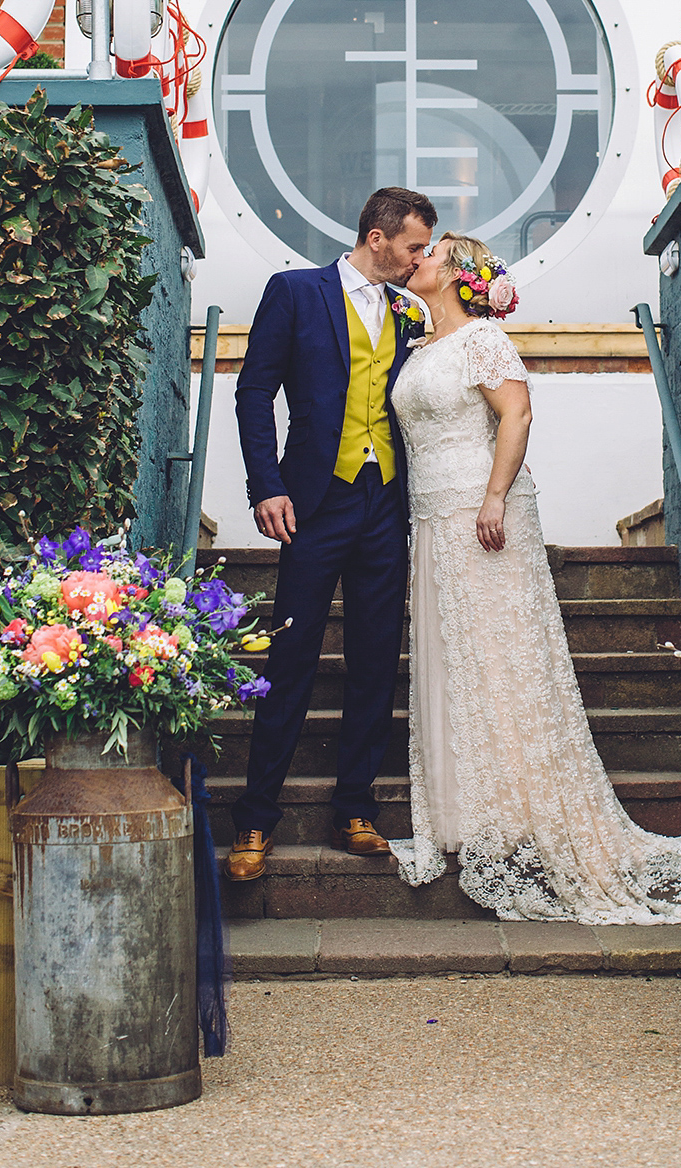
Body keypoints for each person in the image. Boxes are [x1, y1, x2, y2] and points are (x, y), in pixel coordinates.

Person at [387, 233, 681, 923]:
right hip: (430, 518)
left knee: (506, 661)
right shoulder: (420, 346)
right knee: (460, 663)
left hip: (484, 514)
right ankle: (469, 812)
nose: (415, 257)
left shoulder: (484, 340)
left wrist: (492, 497)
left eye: (430, 252)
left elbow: (516, 414)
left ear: (458, 275)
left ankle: (522, 812)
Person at [225, 186, 437, 882]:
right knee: (291, 662)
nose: (418, 259)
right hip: (313, 501)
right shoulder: (293, 292)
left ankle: (356, 808)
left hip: (386, 503)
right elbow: (254, 392)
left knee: (378, 660)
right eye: (412, 246)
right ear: (377, 237)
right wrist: (267, 486)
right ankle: (256, 820)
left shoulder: (411, 313)